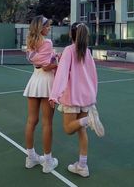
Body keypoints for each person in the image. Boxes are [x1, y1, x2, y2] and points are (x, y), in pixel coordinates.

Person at [49, 22, 104, 177]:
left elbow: (61, 74)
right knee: (81, 132)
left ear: (71, 34)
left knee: (68, 129)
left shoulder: (69, 50)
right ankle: (82, 166)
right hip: (87, 97)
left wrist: (54, 95)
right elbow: (94, 77)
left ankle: (88, 120)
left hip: (73, 97)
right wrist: (93, 96)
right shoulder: (87, 52)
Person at [23, 15, 58, 173]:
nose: (49, 28)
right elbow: (48, 66)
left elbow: (39, 62)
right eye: (47, 25)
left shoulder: (30, 43)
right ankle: (48, 161)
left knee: (31, 121)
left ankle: (30, 158)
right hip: (46, 82)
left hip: (34, 80)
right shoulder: (48, 42)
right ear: (41, 27)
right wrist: (56, 61)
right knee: (47, 123)